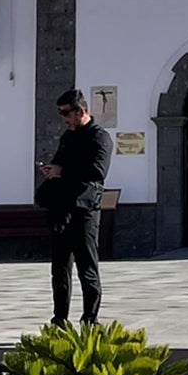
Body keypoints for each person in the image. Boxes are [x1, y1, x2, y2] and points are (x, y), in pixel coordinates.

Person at [37, 88, 111, 326]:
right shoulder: (68, 137)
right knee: (59, 268)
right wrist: (51, 169)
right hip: (61, 209)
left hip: (85, 209)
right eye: (60, 113)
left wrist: (63, 171)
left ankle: (90, 319)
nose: (63, 119)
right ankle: (59, 319)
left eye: (66, 113)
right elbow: (59, 161)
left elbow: (98, 172)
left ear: (80, 111)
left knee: (87, 267)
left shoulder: (100, 137)